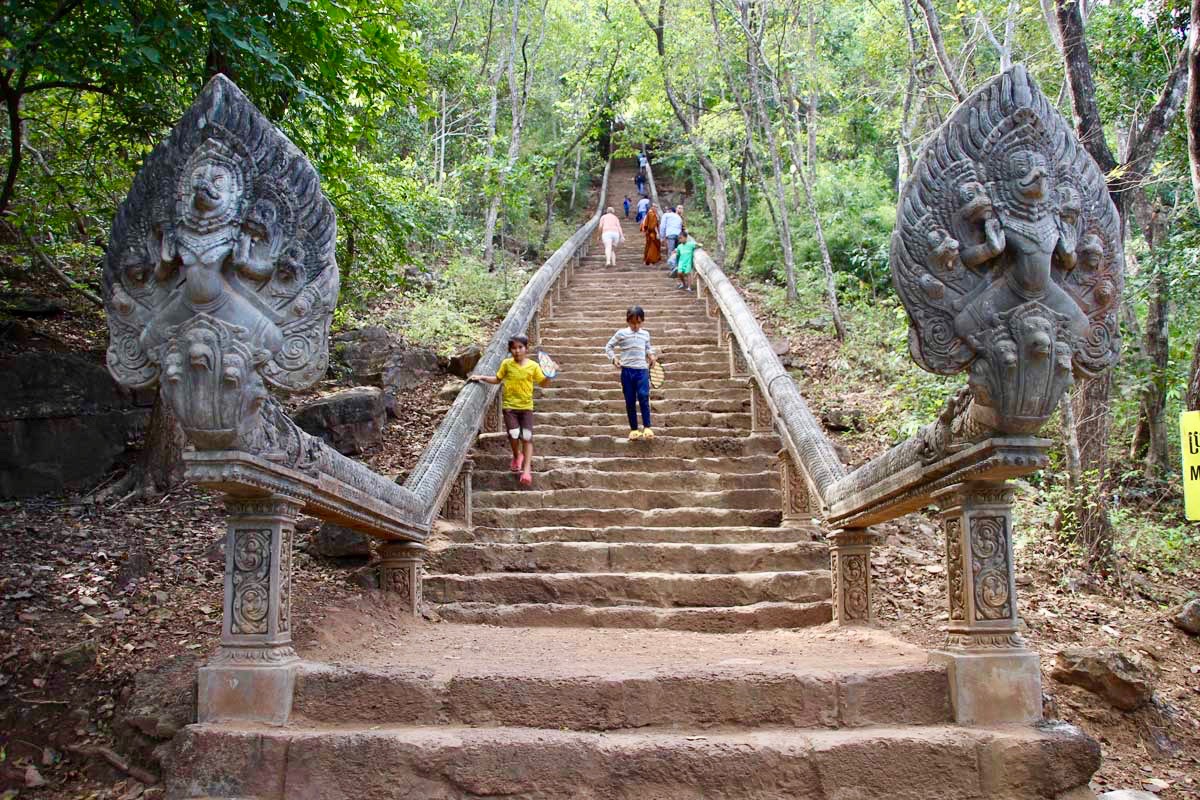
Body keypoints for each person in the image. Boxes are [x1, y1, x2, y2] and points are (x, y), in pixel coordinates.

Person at [468, 335, 549, 486]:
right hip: (510, 406)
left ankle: (526, 470)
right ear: (510, 350)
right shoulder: (506, 364)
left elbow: (543, 383)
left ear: (526, 348)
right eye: (514, 348)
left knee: (527, 436)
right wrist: (482, 377)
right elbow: (498, 379)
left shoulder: (533, 366)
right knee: (513, 433)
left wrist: (550, 375)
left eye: (520, 347)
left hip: (526, 407)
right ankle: (517, 455)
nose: (517, 351)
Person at [604, 306, 658, 440]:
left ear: (642, 321)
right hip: (627, 371)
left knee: (644, 395)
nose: (636, 325)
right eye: (633, 322)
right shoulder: (621, 333)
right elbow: (608, 346)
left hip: (642, 370)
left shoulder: (645, 334)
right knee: (629, 400)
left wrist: (651, 356)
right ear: (627, 321)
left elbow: (648, 348)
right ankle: (634, 429)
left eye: (639, 322)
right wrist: (614, 358)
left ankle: (647, 427)